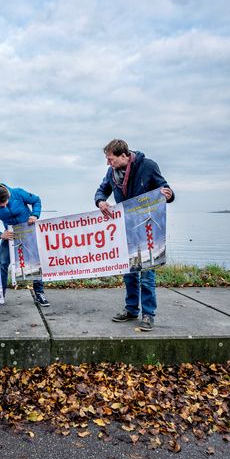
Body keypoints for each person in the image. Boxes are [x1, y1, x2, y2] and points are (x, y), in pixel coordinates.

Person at [94, 139, 174, 331]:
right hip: (126, 229)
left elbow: (166, 190)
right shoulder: (111, 173)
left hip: (148, 230)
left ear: (124, 155)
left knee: (147, 274)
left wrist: (168, 194)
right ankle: (131, 310)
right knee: (129, 273)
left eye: (110, 159)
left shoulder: (148, 166)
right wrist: (100, 202)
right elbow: (101, 190)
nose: (108, 163)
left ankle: (148, 314)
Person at [0, 184, 49, 307]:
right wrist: (0, 235)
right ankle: (0, 294)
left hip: (27, 231)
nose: (3, 206)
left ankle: (39, 293)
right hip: (10, 235)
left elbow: (36, 200)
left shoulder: (18, 193)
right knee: (2, 263)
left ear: (9, 196)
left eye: (5, 202)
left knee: (34, 261)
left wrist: (34, 215)